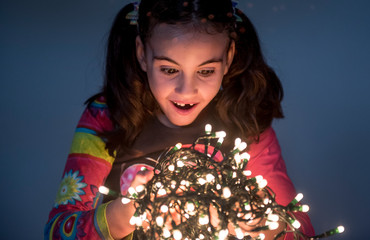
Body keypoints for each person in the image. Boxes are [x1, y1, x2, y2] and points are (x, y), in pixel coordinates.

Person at [44, 0, 315, 239]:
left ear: (229, 57)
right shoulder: (108, 116)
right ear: (142, 54)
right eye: (170, 69)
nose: (187, 90)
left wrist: (260, 224)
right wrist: (125, 214)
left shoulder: (246, 122)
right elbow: (58, 231)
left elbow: (302, 229)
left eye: (206, 71)